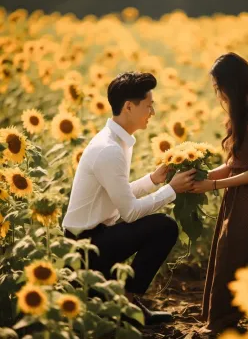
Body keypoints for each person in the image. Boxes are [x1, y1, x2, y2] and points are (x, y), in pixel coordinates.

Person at [62, 71, 197, 325]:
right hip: (84, 249)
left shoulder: (116, 142)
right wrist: (172, 190)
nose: (152, 113)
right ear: (128, 107)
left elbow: (118, 196)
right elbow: (130, 212)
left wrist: (153, 181)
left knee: (159, 225)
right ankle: (126, 304)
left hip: (98, 238)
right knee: (164, 227)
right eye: (148, 106)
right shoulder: (109, 149)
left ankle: (121, 302)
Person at [189, 53, 248, 334]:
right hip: (234, 195)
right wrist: (202, 176)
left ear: (232, 83)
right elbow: (234, 163)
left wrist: (214, 185)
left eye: (219, 85)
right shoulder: (240, 114)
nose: (218, 92)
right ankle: (229, 318)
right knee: (230, 253)